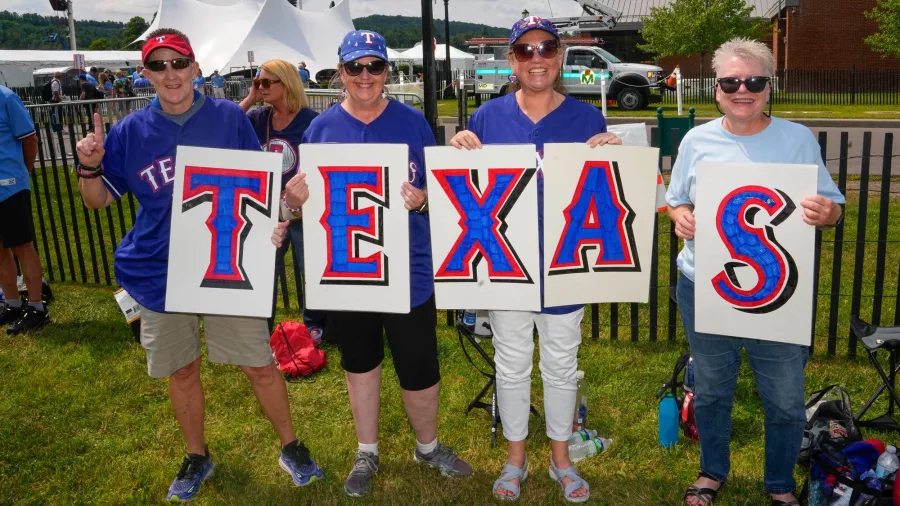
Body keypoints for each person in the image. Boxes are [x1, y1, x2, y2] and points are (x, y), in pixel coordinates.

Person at [74, 28, 324, 502]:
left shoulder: (230, 117)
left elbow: (257, 183)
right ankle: (197, 454)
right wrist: (89, 165)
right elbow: (99, 200)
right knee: (182, 369)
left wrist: (275, 217)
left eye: (178, 62)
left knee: (259, 363)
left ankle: (292, 446)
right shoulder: (130, 130)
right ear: (146, 74)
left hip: (223, 262)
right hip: (157, 270)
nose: (170, 74)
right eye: (158, 65)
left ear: (195, 67)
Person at [272, 29, 473, 497]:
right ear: (341, 72)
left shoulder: (413, 123)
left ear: (387, 71)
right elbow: (309, 208)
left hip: (409, 266)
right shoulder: (320, 130)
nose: (366, 76)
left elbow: (441, 193)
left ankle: (429, 446)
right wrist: (294, 200)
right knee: (360, 360)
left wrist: (422, 200)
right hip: (349, 270)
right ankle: (368, 449)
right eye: (355, 67)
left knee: (419, 362)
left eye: (375, 66)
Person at [449, 16, 621, 503]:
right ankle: (516, 457)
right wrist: (460, 150)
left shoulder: (587, 118)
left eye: (546, 47)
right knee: (511, 363)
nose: (537, 57)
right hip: (508, 262)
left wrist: (613, 152)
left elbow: (603, 190)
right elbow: (469, 188)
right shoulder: (487, 117)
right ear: (511, 60)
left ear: (561, 55)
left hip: (565, 262)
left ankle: (561, 458)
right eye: (525, 50)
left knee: (562, 363)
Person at [666, 38, 845, 506]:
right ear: (716, 87)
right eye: (730, 81)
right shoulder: (696, 140)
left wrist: (827, 212)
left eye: (754, 81)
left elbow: (834, 207)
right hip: (706, 286)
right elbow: (676, 198)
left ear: (770, 86)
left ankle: (780, 484)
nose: (742, 89)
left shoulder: (797, 139)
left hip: (778, 293)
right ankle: (711, 472)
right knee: (710, 390)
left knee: (785, 399)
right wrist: (680, 215)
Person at [238, 59, 325, 339]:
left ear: (285, 84)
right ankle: (261, 327)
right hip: (266, 209)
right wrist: (250, 98)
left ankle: (314, 325)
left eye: (265, 82)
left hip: (302, 209)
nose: (260, 87)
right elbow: (226, 124)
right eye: (257, 82)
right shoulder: (257, 118)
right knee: (264, 268)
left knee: (309, 268)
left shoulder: (310, 120)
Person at [0, 85, 49, 335]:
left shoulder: (6, 97)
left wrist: (23, 173)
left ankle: (37, 308)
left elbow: (30, 139)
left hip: (9, 186)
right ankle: (13, 303)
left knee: (21, 246)